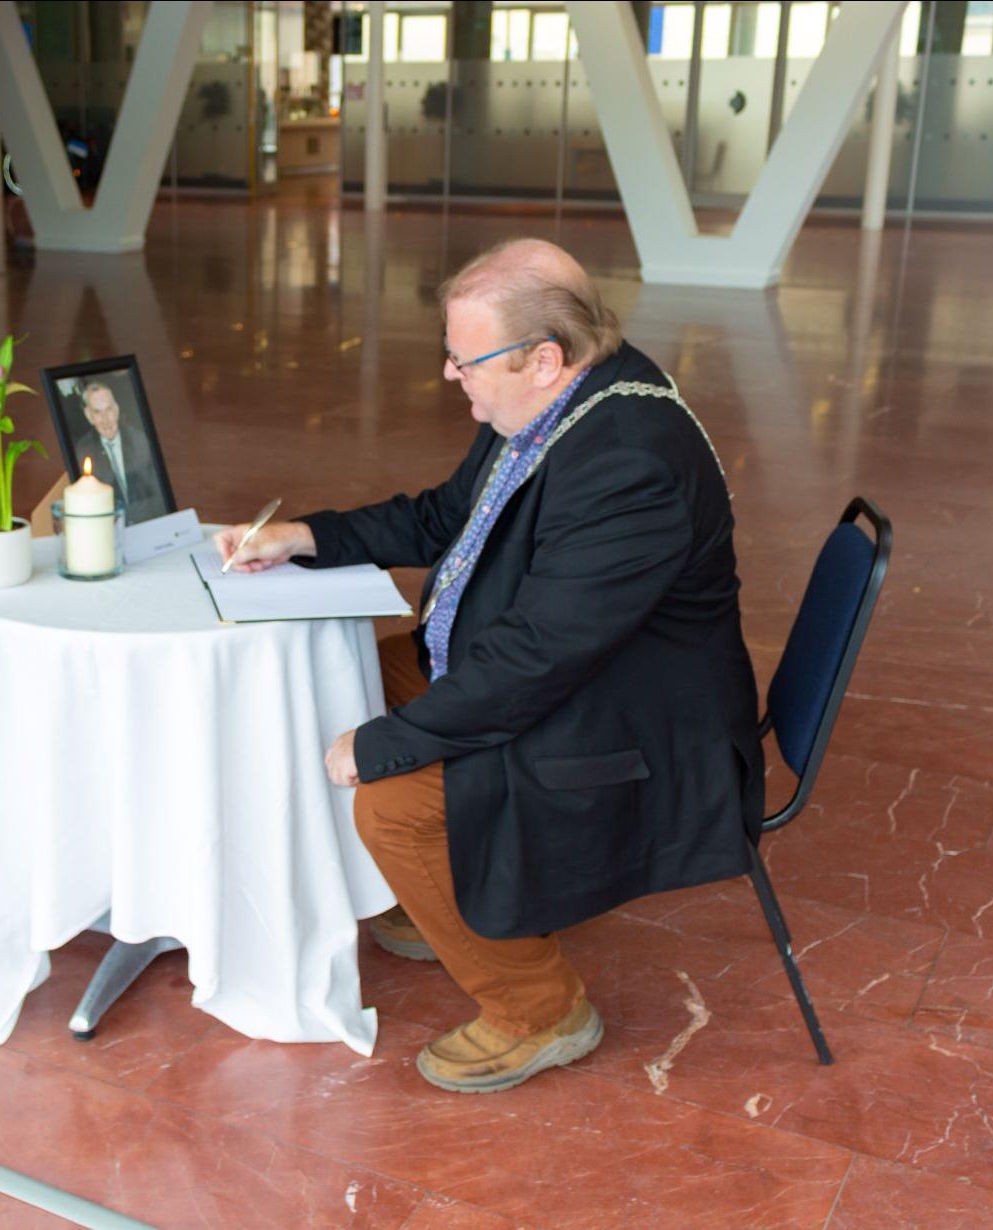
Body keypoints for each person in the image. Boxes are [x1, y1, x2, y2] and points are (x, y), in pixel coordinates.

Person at [215, 238, 763, 1094]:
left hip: (634, 728)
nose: (448, 374)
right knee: (351, 672)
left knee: (394, 806)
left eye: (464, 358)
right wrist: (307, 537)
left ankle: (539, 1010)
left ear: (545, 357)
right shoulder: (551, 402)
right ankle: (441, 891)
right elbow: (446, 517)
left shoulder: (628, 463)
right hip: (563, 670)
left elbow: (537, 661)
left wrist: (388, 744)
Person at [71, 381, 168, 523]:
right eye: (97, 412)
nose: (105, 419)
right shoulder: (82, 452)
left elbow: (157, 493)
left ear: (116, 410)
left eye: (109, 409)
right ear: (89, 416)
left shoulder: (139, 440)